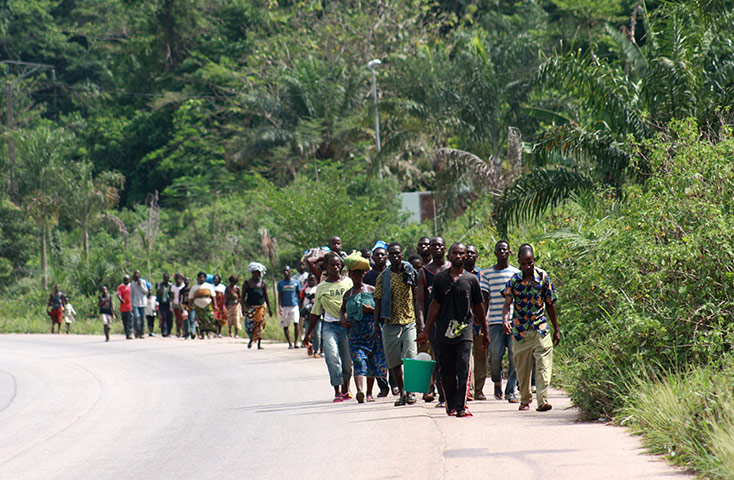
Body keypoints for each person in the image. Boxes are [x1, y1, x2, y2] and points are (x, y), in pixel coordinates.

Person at [417, 242, 487, 418]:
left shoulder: (471, 280)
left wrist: (485, 331)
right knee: (447, 371)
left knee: (463, 367)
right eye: (454, 253)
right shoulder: (440, 279)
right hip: (444, 332)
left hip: (464, 330)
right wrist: (426, 330)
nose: (458, 256)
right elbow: (435, 306)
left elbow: (479, 306)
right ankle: (451, 404)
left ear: (465, 256)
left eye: (461, 253)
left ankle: (461, 406)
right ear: (449, 257)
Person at [501, 244, 560, 412]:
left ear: (534, 260)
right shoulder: (514, 281)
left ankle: (543, 400)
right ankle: (525, 399)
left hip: (540, 328)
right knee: (522, 370)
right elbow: (507, 304)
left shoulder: (542, 277)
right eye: (524, 263)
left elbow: (550, 304)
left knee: (543, 366)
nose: (528, 266)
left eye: (530, 262)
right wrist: (506, 320)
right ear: (519, 263)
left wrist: (556, 328)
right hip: (521, 332)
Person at [303, 252, 353, 402]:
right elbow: (316, 312)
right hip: (330, 326)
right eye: (332, 264)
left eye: (338, 264)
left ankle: (346, 389)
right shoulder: (321, 287)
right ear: (326, 266)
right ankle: (337, 391)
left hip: (347, 326)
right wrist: (308, 334)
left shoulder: (348, 282)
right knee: (332, 358)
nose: (336, 267)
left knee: (347, 360)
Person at [374, 242, 419, 407]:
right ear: (387, 256)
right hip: (390, 322)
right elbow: (377, 301)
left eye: (397, 253)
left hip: (409, 321)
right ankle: (401, 393)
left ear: (402, 254)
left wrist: (420, 322)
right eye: (391, 254)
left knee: (411, 358)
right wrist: (375, 325)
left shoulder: (410, 273)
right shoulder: (383, 277)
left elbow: (417, 298)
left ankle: (411, 392)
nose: (395, 256)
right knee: (394, 362)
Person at [340, 252, 387, 403]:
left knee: (372, 362)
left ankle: (369, 392)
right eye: (353, 274)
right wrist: (343, 318)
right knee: (359, 361)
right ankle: (360, 391)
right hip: (355, 334)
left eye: (359, 274)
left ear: (363, 274)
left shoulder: (372, 290)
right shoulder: (348, 293)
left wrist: (372, 310)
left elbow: (382, 309)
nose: (356, 277)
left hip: (373, 331)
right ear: (350, 275)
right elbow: (342, 309)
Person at [480, 240, 520, 403]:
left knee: (514, 356)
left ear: (509, 252)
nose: (502, 252)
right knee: (495, 356)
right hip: (494, 322)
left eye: (505, 250)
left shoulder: (516, 273)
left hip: (514, 321)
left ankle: (510, 391)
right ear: (495, 253)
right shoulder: (487, 274)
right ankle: (497, 381)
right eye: (499, 250)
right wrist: (483, 321)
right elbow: (484, 300)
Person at [416, 236, 451, 406]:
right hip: (434, 323)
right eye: (433, 246)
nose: (437, 248)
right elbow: (420, 301)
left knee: (452, 360)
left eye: (440, 245)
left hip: (452, 322)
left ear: (445, 248)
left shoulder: (452, 269)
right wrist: (423, 324)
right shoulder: (424, 272)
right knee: (438, 360)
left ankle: (457, 394)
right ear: (429, 249)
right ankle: (443, 396)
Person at [363, 242, 393, 396]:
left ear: (386, 256)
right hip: (373, 318)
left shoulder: (391, 273)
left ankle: (395, 384)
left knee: (391, 353)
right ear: (372, 258)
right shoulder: (368, 276)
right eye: (377, 255)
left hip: (389, 317)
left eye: (382, 254)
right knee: (377, 353)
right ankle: (383, 386)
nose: (380, 257)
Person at [464, 243, 484, 401]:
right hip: (464, 322)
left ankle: (479, 390)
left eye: (472, 253)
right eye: (467, 253)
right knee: (466, 356)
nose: (469, 255)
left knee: (481, 356)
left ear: (476, 256)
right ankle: (468, 391)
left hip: (480, 321)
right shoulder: (458, 274)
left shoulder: (482, 275)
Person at [242, 262, 272, 350]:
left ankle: (259, 343)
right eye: (254, 272)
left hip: (260, 307)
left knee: (260, 324)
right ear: (252, 273)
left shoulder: (263, 283)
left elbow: (266, 296)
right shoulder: (247, 283)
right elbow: (243, 296)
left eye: (257, 273)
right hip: (250, 307)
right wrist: (243, 307)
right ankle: (251, 340)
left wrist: (270, 308)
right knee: (250, 326)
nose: (256, 274)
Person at [277, 266, 302, 349]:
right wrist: (280, 306)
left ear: (290, 272)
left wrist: (300, 305)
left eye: (287, 271)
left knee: (296, 323)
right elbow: (280, 296)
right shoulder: (281, 284)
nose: (286, 273)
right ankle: (290, 343)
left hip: (294, 305)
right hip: (284, 306)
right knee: (285, 325)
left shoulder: (296, 282)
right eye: (284, 271)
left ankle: (296, 342)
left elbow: (299, 294)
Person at [190, 272, 217, 339]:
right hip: (198, 306)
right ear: (198, 278)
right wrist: (191, 306)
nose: (201, 279)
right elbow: (190, 298)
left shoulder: (209, 286)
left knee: (209, 319)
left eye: (203, 277)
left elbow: (213, 296)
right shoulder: (194, 287)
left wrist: (215, 305)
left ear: (205, 278)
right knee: (200, 320)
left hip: (207, 305)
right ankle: (201, 334)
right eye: (200, 277)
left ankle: (209, 333)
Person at [300, 273, 320, 357]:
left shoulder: (318, 289)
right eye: (310, 280)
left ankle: (316, 350)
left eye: (313, 280)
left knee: (317, 333)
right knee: (308, 333)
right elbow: (301, 300)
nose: (312, 281)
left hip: (317, 314)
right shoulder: (305, 290)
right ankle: (309, 348)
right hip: (308, 315)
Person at [130, 270, 149, 339]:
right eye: (135, 274)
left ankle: (142, 333)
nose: (137, 275)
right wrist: (131, 305)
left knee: (142, 319)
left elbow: (146, 292)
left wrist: (141, 285)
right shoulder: (132, 284)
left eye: (138, 274)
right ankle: (136, 332)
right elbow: (131, 295)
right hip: (135, 303)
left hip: (143, 303)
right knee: (136, 317)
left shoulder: (143, 282)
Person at [116, 275, 133, 339]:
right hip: (123, 308)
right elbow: (118, 294)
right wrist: (121, 299)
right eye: (125, 279)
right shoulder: (120, 287)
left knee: (130, 320)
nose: (126, 281)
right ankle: (127, 333)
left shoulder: (131, 286)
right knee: (125, 321)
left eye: (127, 279)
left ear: (129, 280)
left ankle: (130, 333)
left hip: (130, 307)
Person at [171, 273, 185, 337]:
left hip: (183, 304)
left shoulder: (184, 286)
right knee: (177, 319)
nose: (178, 280)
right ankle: (178, 331)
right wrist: (171, 304)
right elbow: (172, 297)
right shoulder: (173, 287)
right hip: (176, 304)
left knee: (183, 318)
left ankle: (184, 331)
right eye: (177, 279)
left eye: (179, 279)